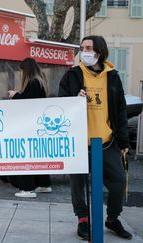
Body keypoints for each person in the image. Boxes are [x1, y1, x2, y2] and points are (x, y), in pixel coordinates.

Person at [58, 35, 132, 240]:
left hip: (106, 143)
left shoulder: (113, 76)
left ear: (99, 51)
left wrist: (124, 142)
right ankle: (83, 220)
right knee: (78, 185)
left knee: (118, 181)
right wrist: (73, 100)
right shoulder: (72, 75)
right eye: (82, 48)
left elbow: (120, 110)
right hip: (79, 143)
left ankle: (112, 218)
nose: (84, 52)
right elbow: (60, 104)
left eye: (88, 47)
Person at [7, 57, 52, 198]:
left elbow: (28, 104)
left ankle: (27, 189)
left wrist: (15, 95)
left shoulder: (33, 83)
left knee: (24, 156)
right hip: (37, 125)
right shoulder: (40, 82)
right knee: (37, 156)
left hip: (28, 125)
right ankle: (43, 184)